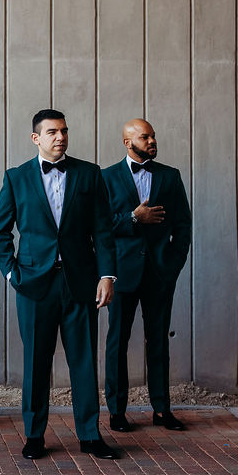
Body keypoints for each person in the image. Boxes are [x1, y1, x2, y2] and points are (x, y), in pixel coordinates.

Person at [0, 109, 120, 460]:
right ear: (36, 138)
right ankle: (34, 435)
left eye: (63, 131)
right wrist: (11, 273)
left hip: (80, 282)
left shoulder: (89, 174)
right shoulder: (16, 178)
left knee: (83, 361)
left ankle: (90, 435)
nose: (60, 137)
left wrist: (107, 276)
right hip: (34, 285)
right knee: (36, 362)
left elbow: (103, 231)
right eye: (51, 132)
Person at [102, 119, 192, 433]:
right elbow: (100, 228)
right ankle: (116, 411)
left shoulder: (170, 176)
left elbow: (183, 225)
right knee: (117, 342)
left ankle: (162, 410)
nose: (152, 140)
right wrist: (133, 218)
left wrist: (173, 264)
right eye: (145, 136)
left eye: (153, 134)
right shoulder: (107, 178)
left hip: (159, 273)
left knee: (158, 342)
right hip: (122, 273)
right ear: (128, 142)